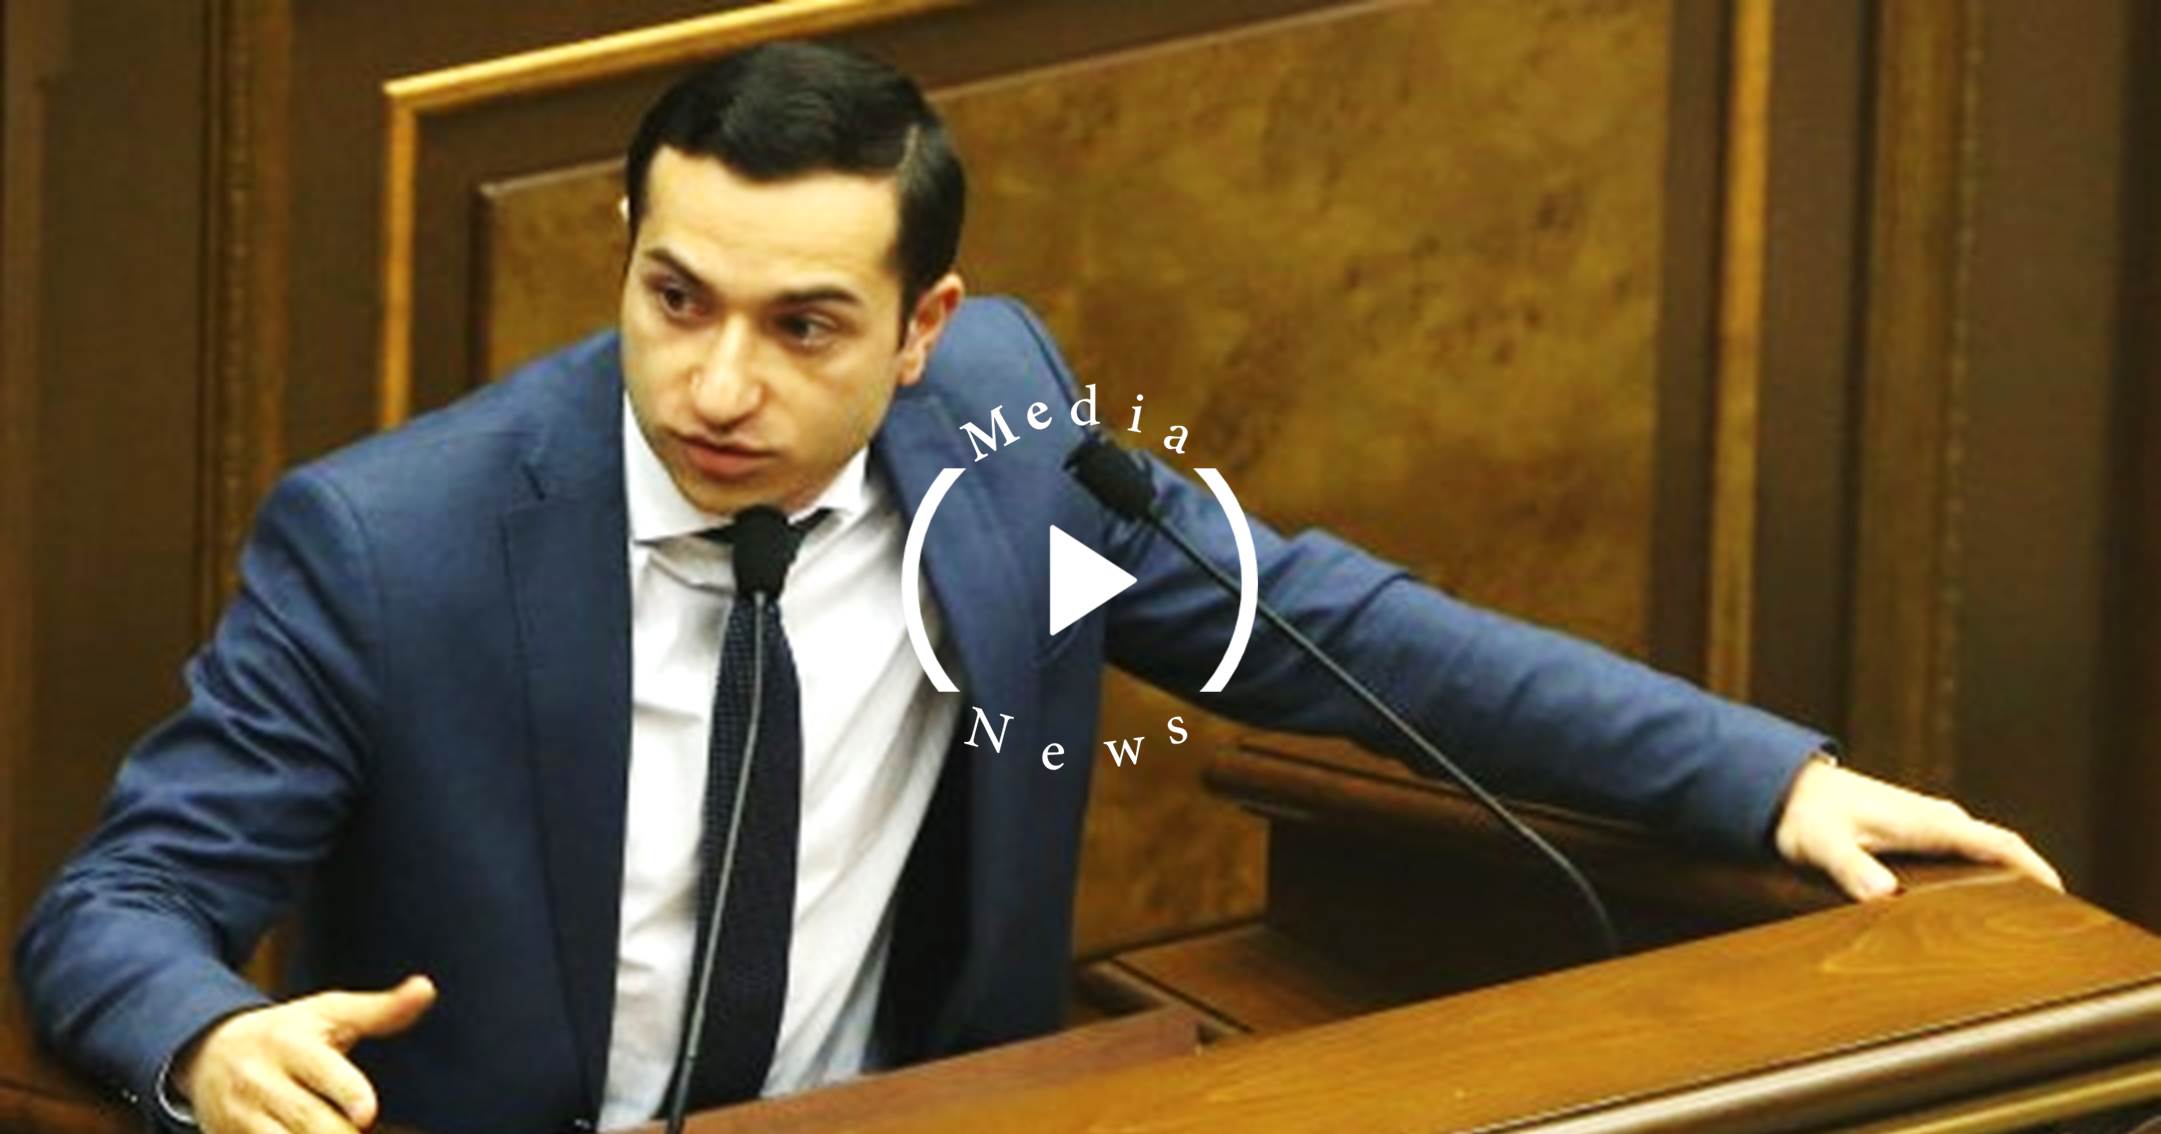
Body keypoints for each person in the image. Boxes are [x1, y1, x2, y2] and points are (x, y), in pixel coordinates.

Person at [15, 40, 2059, 1134]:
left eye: (805, 326)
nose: (717, 385)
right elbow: (119, 906)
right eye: (674, 298)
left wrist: (1768, 780)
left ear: (926, 330)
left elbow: (1333, 628)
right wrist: (208, 1042)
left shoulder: (1004, 450)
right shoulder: (393, 543)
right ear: (626, 255)